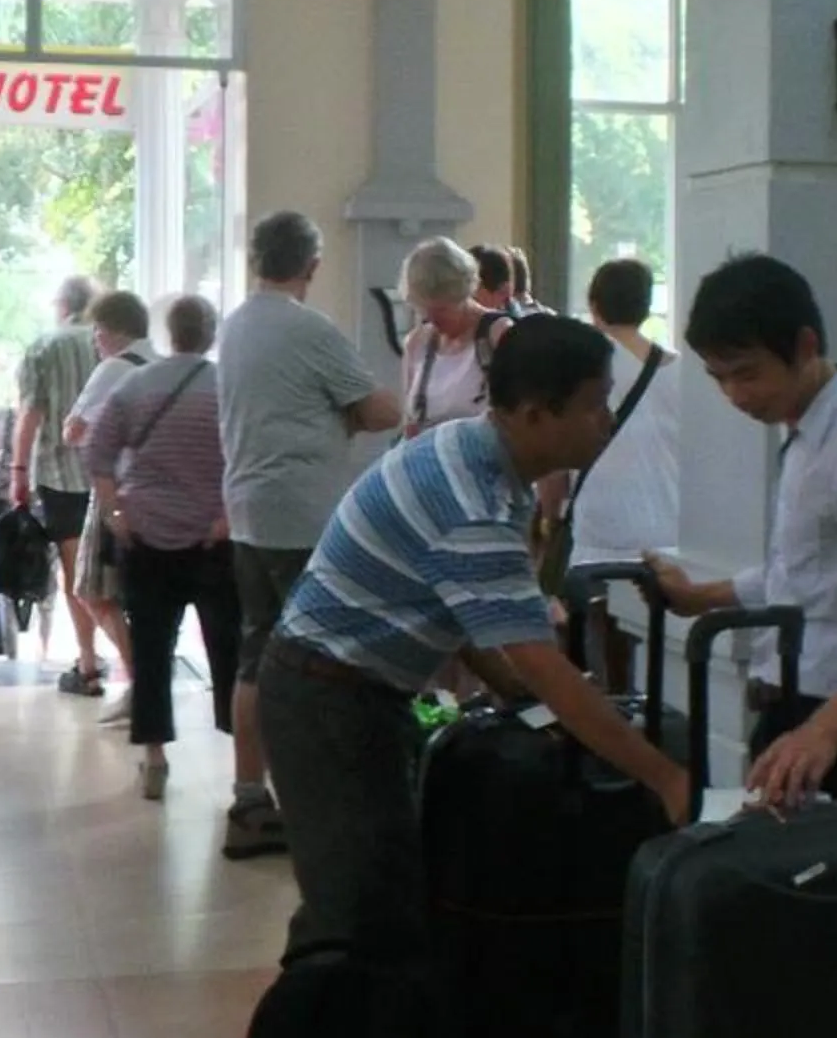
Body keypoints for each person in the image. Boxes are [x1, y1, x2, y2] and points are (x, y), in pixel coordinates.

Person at [261, 313, 690, 961]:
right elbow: (543, 667)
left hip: (348, 695)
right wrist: (665, 778)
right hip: (327, 701)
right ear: (537, 415)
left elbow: (461, 612)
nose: (607, 421)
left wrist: (513, 689)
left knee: (374, 902)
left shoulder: (474, 455)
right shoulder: (474, 503)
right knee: (356, 922)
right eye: (595, 405)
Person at [640, 253, 837, 809]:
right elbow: (808, 574)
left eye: (747, 372)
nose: (734, 395)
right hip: (792, 709)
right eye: (719, 378)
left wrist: (824, 732)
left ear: (805, 346)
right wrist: (698, 597)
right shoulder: (813, 431)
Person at [216, 210, 404, 860]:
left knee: (256, 655)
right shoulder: (309, 329)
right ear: (313, 266)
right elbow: (380, 411)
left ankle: (248, 791)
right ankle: (318, 794)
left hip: (248, 515)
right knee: (323, 659)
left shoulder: (235, 326)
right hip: (306, 517)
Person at [84, 294, 233, 801]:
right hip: (213, 540)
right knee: (228, 651)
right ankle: (244, 767)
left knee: (150, 651)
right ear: (211, 334)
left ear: (170, 333)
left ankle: (154, 759)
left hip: (144, 537)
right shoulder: (227, 389)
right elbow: (246, 460)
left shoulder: (134, 385)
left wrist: (115, 514)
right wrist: (226, 516)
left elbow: (97, 453)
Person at [16, 276, 130, 697]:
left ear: (62, 305)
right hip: (115, 476)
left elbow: (31, 413)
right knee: (111, 576)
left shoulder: (45, 346)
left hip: (61, 475)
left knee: (77, 575)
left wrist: (18, 470)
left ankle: (90, 661)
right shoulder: (115, 344)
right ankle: (128, 659)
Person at [63, 289, 156, 720]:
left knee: (91, 588)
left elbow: (73, 431)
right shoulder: (162, 364)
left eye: (98, 331)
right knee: (141, 597)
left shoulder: (113, 368)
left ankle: (141, 685)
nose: (95, 340)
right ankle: (143, 684)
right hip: (157, 495)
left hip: (113, 492)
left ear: (116, 331)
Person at [565, 257, 678, 572]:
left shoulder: (580, 364)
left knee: (592, 614)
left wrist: (549, 516)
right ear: (646, 305)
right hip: (667, 521)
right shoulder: (684, 372)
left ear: (594, 304)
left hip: (600, 522)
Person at [396, 239, 510, 440]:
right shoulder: (417, 343)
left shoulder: (498, 335)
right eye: (423, 310)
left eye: (441, 310)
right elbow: (409, 422)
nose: (431, 319)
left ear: (463, 294)